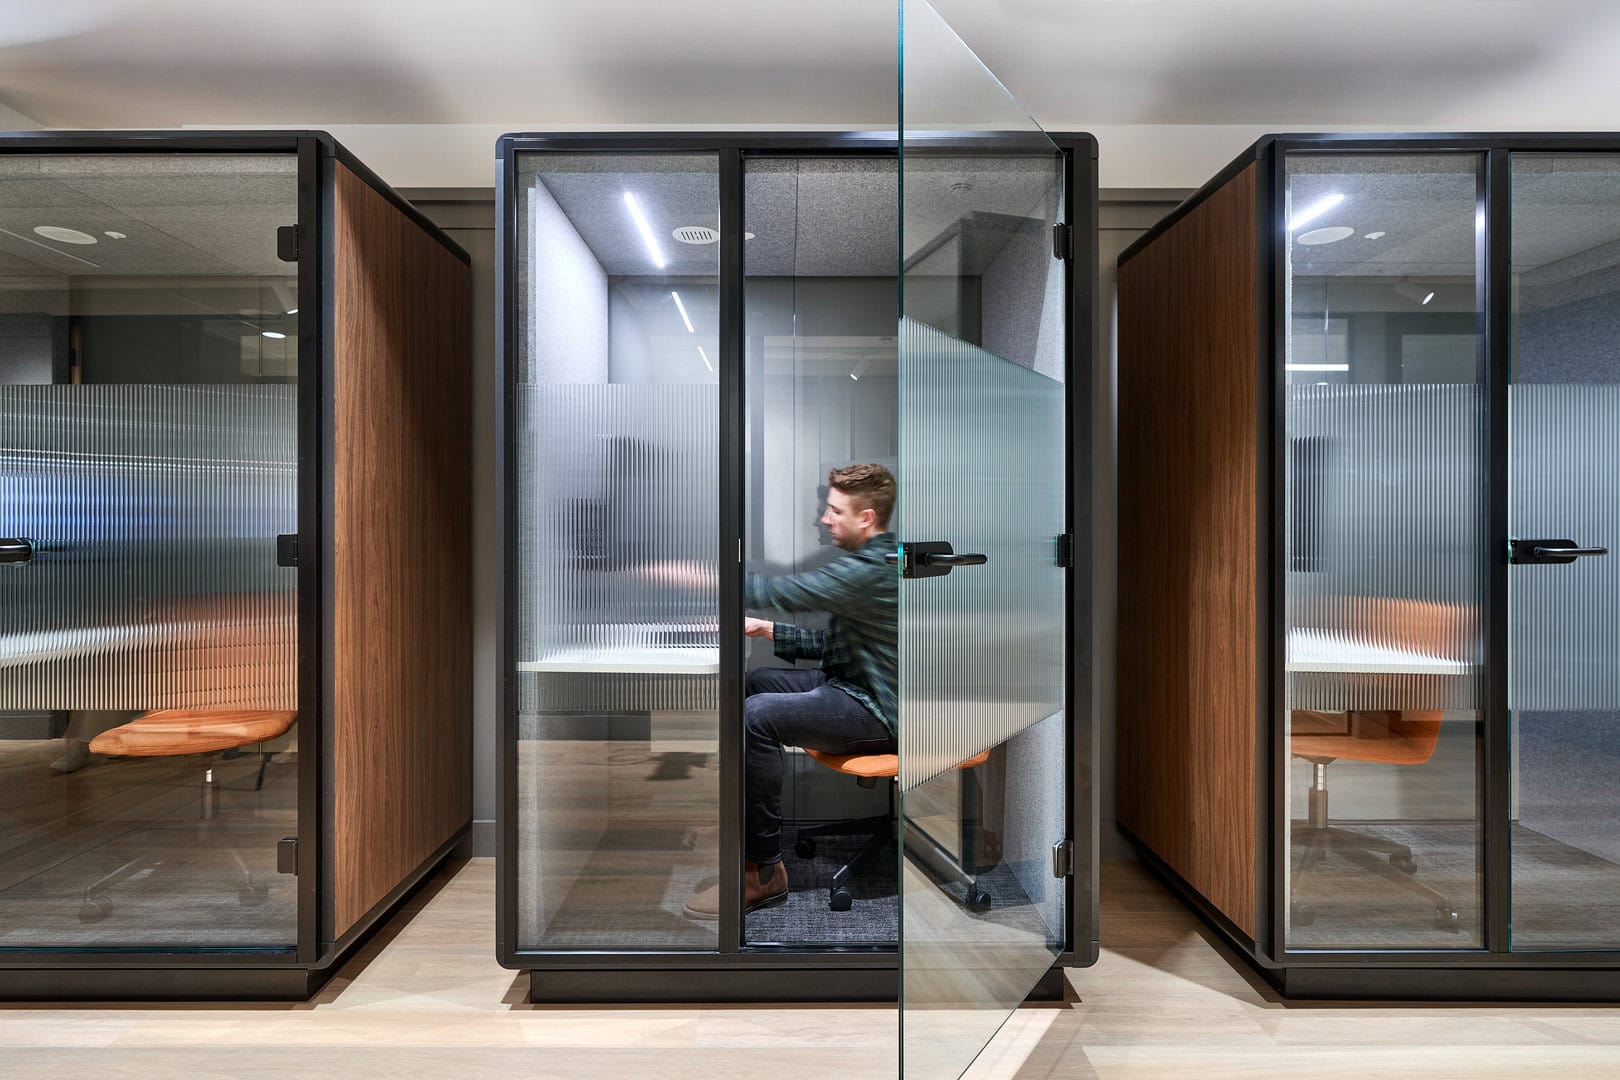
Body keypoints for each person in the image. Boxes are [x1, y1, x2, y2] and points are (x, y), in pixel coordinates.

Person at [683, 463, 898, 919]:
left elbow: (784, 590)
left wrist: (698, 577)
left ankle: (764, 872)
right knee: (755, 683)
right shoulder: (873, 564)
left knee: (756, 714)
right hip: (851, 685)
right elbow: (835, 647)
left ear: (866, 518)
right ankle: (746, 826)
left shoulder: (872, 569)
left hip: (876, 711)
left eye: (835, 510)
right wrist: (767, 630)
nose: (824, 517)